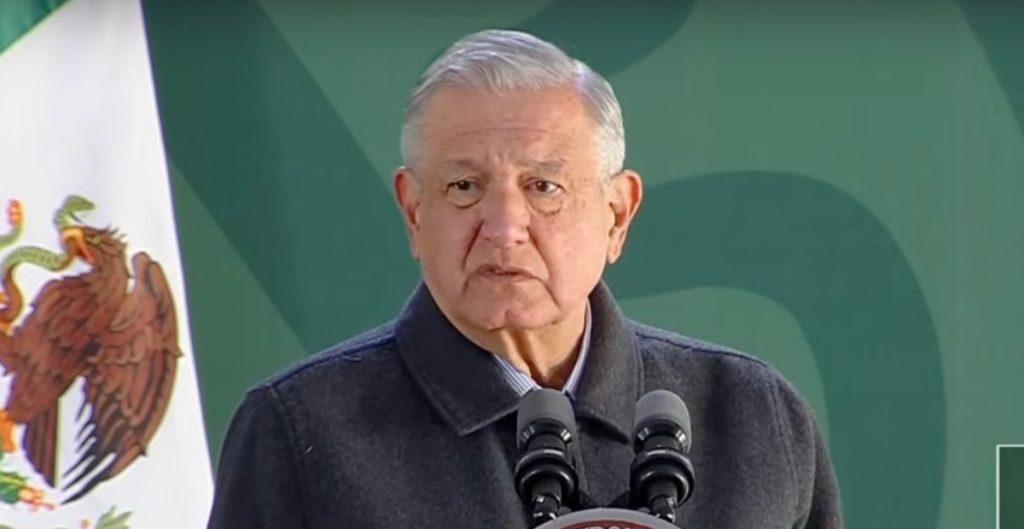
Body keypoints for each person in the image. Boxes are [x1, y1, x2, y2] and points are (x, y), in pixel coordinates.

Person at [206, 29, 842, 529]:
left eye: (544, 187)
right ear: (414, 213)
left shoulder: (755, 417)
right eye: (464, 187)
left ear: (617, 214)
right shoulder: (301, 434)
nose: (505, 226)